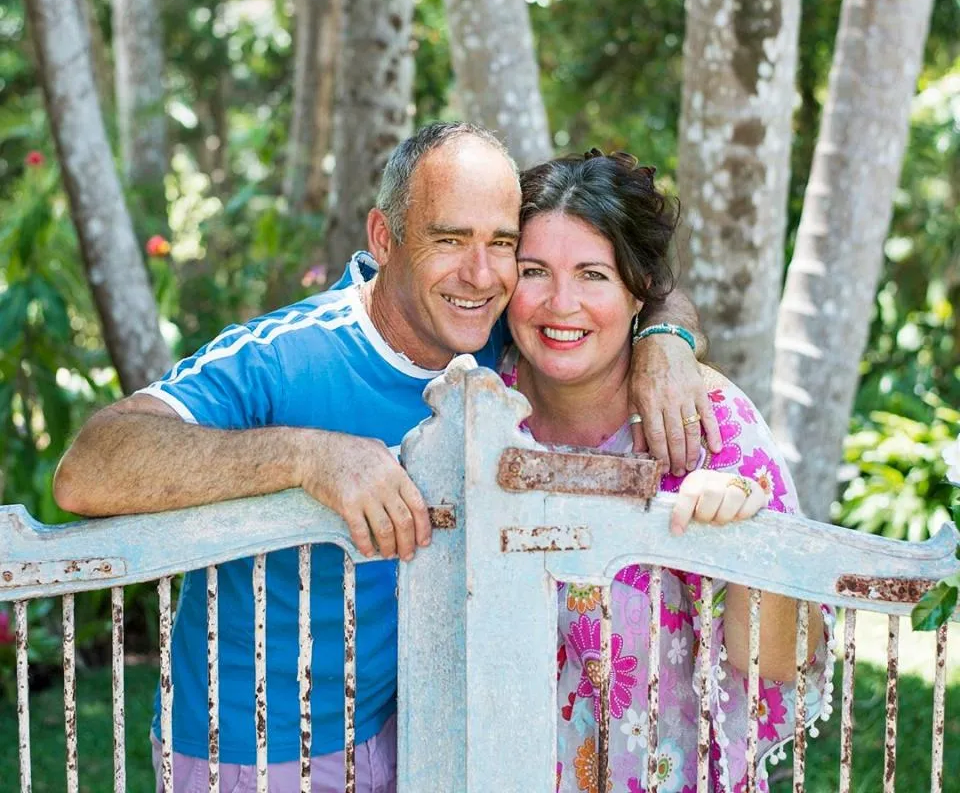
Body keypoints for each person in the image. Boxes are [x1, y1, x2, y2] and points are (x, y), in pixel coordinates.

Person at [53, 123, 716, 793]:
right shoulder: (285, 356)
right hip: (258, 752)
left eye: (503, 245)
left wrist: (667, 336)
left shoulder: (498, 341)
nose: (481, 275)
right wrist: (308, 456)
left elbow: (627, 279)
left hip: (417, 736)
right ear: (383, 238)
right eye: (450, 240)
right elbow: (88, 467)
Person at [498, 150, 833, 793]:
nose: (560, 303)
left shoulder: (711, 424)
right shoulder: (476, 402)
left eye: (593, 274)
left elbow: (779, 659)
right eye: (533, 271)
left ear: (639, 291)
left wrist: (743, 539)